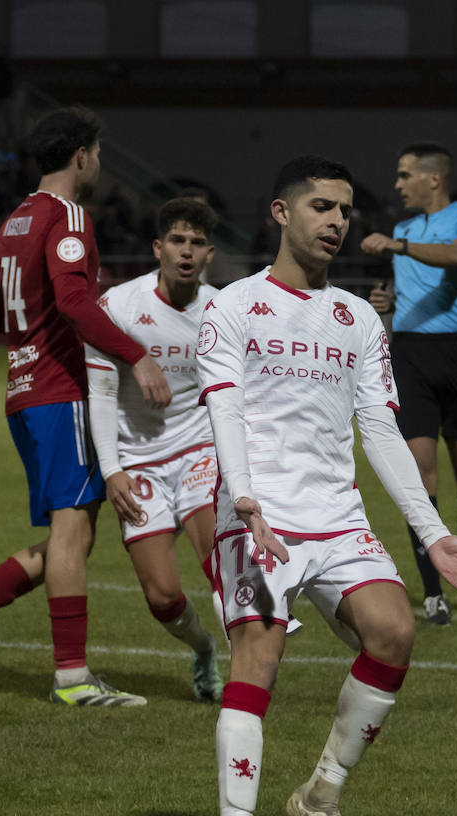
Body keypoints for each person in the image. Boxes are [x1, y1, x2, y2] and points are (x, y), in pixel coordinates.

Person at [200, 155, 457, 816]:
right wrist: (243, 500)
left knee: (394, 632)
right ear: (280, 213)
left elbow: (382, 432)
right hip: (256, 512)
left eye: (344, 211)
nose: (336, 222)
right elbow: (225, 409)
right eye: (321, 207)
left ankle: (319, 799)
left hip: (335, 516)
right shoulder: (232, 306)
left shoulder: (356, 318)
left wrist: (430, 535)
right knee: (256, 660)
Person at [0, 107, 171, 707]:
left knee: (71, 539)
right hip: (60, 391)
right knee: (73, 532)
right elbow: (75, 302)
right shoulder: (68, 215)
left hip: (22, 391)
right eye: (99, 153)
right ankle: (73, 678)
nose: (101, 165)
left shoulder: (16, 220)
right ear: (81, 155)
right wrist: (137, 356)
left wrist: (29, 336)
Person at [84, 197, 300, 703]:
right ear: (158, 247)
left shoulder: (222, 310)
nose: (186, 251)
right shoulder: (118, 306)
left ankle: (259, 649)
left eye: (197, 243)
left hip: (199, 450)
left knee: (216, 554)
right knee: (161, 596)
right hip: (138, 462)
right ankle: (203, 647)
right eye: (177, 241)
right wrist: (112, 470)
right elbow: (100, 391)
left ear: (209, 254)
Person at [360, 142, 457, 626]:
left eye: (404, 175)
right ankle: (434, 590)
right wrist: (386, 300)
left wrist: (397, 246)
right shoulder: (405, 228)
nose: (397, 185)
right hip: (410, 356)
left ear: (433, 179)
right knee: (419, 473)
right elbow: (407, 284)